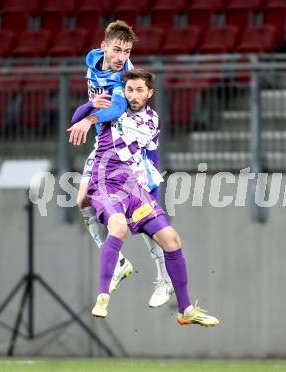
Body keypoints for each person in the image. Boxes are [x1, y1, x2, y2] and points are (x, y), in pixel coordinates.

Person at [87, 69, 219, 327]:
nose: (133, 95)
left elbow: (153, 158)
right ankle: (102, 296)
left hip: (135, 189)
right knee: (118, 226)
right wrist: (86, 116)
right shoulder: (115, 108)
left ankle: (186, 310)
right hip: (105, 183)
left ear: (150, 93)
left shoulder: (152, 120)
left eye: (139, 90)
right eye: (129, 89)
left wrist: (153, 196)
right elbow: (78, 116)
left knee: (171, 239)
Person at [67, 20, 173, 307]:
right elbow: (85, 107)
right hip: (103, 146)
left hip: (126, 145)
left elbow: (115, 107)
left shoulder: (122, 79)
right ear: (104, 47)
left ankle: (163, 276)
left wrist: (88, 118)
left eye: (126, 51)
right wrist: (88, 109)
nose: (120, 57)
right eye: (116, 50)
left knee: (142, 216)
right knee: (83, 202)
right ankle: (120, 264)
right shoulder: (93, 62)